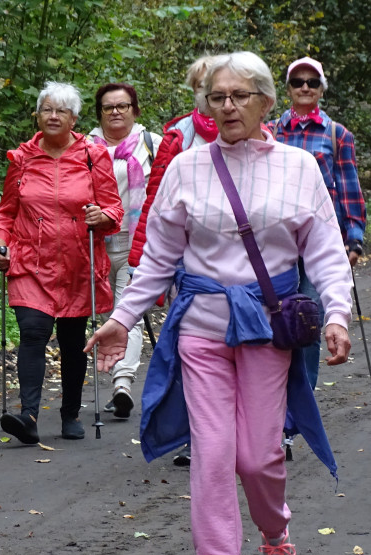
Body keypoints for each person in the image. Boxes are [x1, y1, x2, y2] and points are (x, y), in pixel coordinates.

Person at [85, 51, 353, 555]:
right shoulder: (186, 167)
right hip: (201, 328)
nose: (227, 106)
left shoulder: (298, 167)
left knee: (257, 456)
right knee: (211, 454)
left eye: (238, 96)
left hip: (264, 328)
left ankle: (276, 531)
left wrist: (337, 315)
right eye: (216, 97)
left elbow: (326, 253)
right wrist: (121, 318)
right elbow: (158, 258)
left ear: (265, 102)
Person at [0, 82, 124, 443]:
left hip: (77, 263)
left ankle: (70, 413)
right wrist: (0, 244)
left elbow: (114, 209)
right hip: (31, 263)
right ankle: (28, 416)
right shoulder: (21, 159)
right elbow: (5, 213)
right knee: (33, 332)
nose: (52, 116)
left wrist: (102, 216)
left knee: (71, 339)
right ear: (37, 115)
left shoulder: (93, 156)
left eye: (60, 111)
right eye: (47, 109)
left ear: (74, 118)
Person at [130, 54, 219, 466]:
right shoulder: (176, 136)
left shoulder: (258, 133)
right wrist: (142, 256)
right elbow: (157, 198)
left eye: (216, 84)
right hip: (187, 259)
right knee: (190, 345)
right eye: (202, 86)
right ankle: (194, 434)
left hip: (243, 266)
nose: (210, 94)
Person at [269, 56, 366, 390]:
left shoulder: (337, 134)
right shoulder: (270, 131)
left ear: (322, 88)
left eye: (312, 82)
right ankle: (274, 397)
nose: (305, 87)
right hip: (276, 238)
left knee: (308, 321)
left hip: (319, 237)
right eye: (298, 82)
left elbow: (349, 186)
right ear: (288, 89)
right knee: (275, 321)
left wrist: (354, 237)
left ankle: (302, 400)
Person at [88, 83, 162, 419]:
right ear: (99, 112)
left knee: (125, 313)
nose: (116, 111)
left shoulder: (154, 145)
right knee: (106, 314)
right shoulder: (84, 148)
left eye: (123, 105)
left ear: (135, 109)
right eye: (108, 107)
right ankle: (119, 377)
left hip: (138, 244)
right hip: (95, 245)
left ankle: (122, 383)